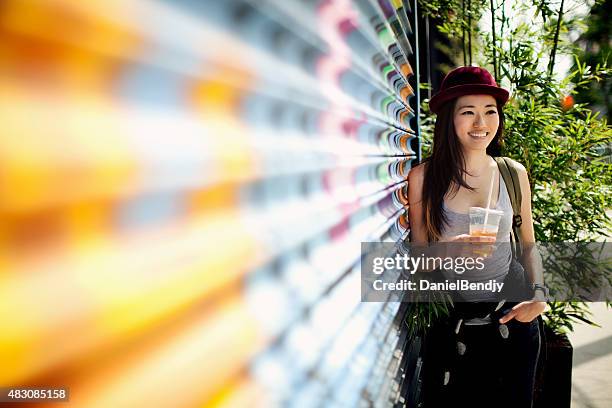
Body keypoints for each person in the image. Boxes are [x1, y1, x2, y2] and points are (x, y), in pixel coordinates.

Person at [407, 66, 547, 408]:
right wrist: (448, 252)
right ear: (448, 119)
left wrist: (540, 297)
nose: (481, 123)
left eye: (490, 112)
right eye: (468, 112)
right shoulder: (424, 178)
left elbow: (528, 246)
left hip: (511, 321)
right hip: (453, 331)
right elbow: (417, 259)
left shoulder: (513, 174)